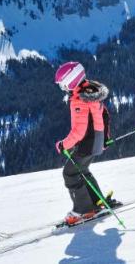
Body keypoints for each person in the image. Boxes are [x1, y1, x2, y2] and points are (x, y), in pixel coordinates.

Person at [54, 61, 118, 226]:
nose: (63, 88)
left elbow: (79, 131)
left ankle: (83, 210)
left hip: (87, 142)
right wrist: (104, 137)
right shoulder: (91, 91)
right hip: (95, 140)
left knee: (70, 173)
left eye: (63, 84)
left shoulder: (79, 99)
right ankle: (97, 202)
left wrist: (63, 145)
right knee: (82, 171)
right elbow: (104, 115)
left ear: (72, 80)